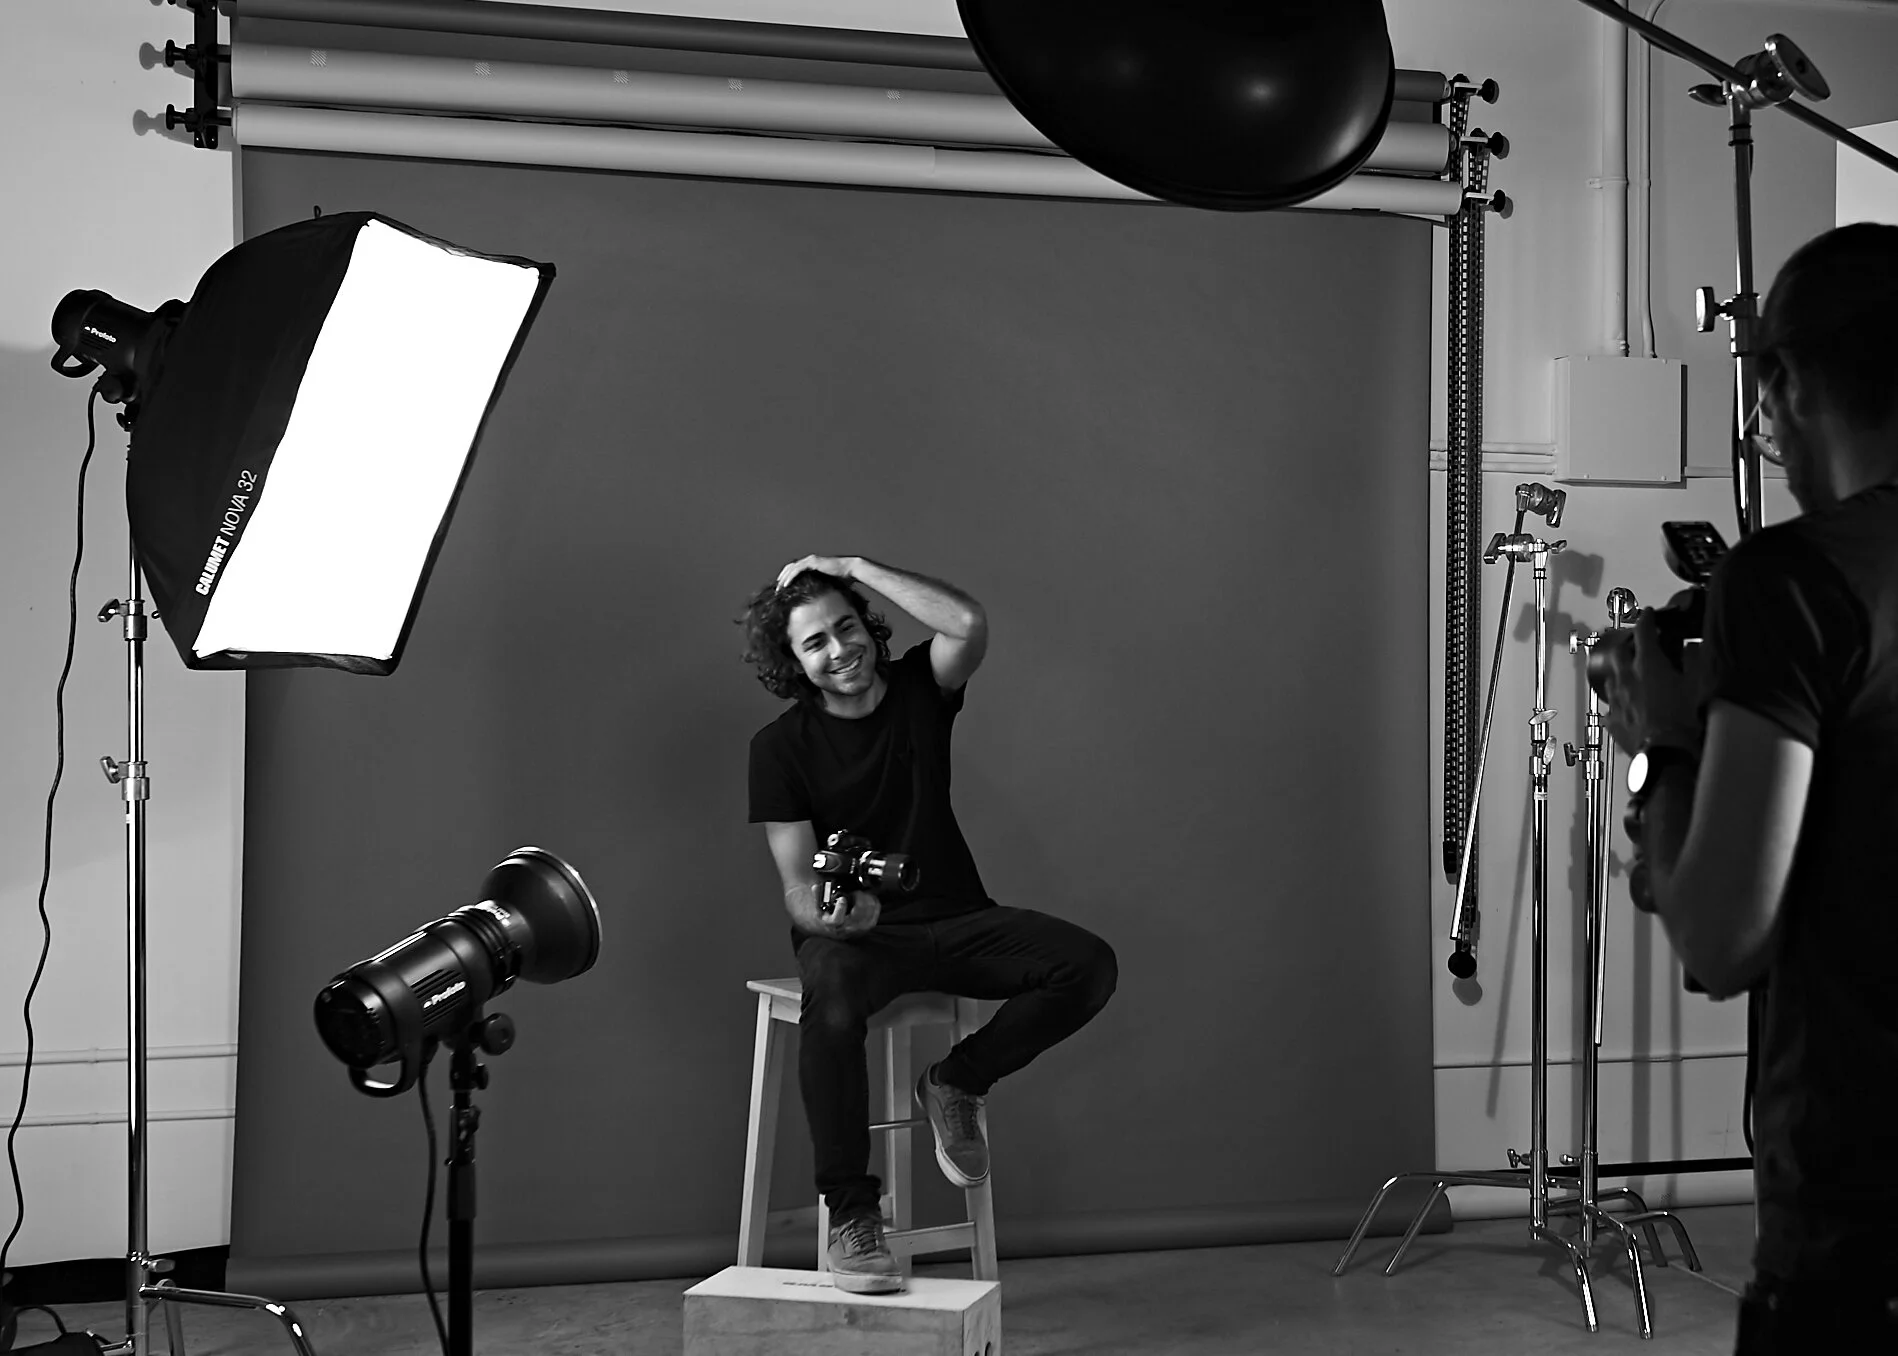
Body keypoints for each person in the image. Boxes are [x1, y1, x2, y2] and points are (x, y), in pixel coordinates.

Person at [1601, 222, 1898, 1354]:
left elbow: (1719, 939)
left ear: (1781, 381)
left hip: (1859, 1240)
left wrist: (1660, 749)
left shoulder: (1792, 580)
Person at [740, 555, 1118, 1293]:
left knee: (1087, 964)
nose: (839, 649)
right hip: (858, 935)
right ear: (792, 659)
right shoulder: (778, 748)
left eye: (846, 627)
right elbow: (793, 882)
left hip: (957, 914)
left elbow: (968, 623)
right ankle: (853, 1215)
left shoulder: (920, 688)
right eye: (814, 642)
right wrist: (830, 915)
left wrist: (849, 566)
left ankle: (956, 1081)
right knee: (833, 1003)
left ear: (869, 626)